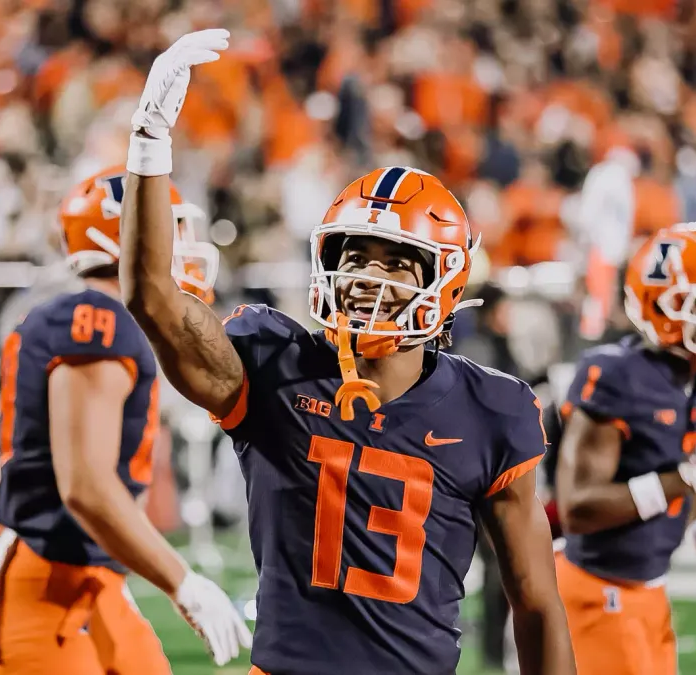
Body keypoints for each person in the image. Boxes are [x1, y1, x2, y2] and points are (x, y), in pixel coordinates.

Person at [119, 29, 573, 675]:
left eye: (396, 262)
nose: (366, 276)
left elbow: (535, 601)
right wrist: (149, 142)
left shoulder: (491, 407)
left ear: (443, 282)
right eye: (354, 256)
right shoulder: (273, 364)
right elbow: (153, 297)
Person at [0, 165, 251, 674]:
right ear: (122, 234)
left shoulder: (93, 318)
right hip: (48, 590)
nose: (182, 243)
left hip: (91, 579)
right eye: (170, 226)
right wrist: (181, 581)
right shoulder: (100, 321)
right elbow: (86, 488)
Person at [554, 223, 696, 675]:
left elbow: (690, 469)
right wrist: (690, 477)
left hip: (650, 592)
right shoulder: (616, 376)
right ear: (664, 306)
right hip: (594, 589)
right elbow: (577, 509)